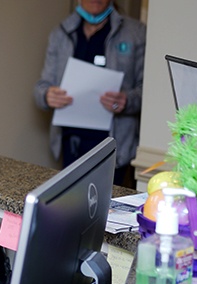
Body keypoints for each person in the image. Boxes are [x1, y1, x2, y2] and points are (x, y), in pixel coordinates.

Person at [33, 1, 145, 187]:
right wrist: (47, 95)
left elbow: (148, 92)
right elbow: (40, 87)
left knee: (106, 209)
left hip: (113, 146)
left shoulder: (136, 33)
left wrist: (126, 101)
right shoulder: (61, 33)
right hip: (71, 143)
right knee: (71, 207)